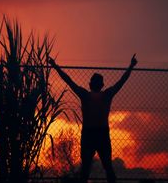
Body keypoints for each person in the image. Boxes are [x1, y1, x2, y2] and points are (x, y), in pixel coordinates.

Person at [48, 54, 138, 183]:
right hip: (101, 133)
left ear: (90, 84)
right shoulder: (106, 95)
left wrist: (55, 66)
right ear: (101, 85)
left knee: (86, 169)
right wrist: (131, 66)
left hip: (89, 133)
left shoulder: (86, 95)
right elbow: (121, 82)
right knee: (107, 168)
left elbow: (68, 80)